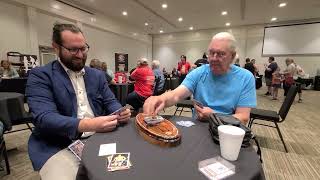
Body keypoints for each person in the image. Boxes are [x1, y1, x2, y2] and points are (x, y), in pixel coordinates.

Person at [25, 23, 131, 179]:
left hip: (100, 137)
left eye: (83, 48)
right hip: (58, 144)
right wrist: (87, 124)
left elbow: (111, 102)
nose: (80, 55)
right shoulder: (40, 75)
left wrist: (120, 111)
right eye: (73, 50)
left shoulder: (97, 75)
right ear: (56, 47)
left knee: (127, 171)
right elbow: (44, 118)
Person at [143, 32, 256, 124]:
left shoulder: (246, 77)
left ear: (232, 56)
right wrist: (161, 99)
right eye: (211, 53)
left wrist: (214, 116)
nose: (213, 58)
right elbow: (176, 94)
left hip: (228, 131)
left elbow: (243, 117)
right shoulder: (199, 72)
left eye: (221, 54)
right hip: (199, 126)